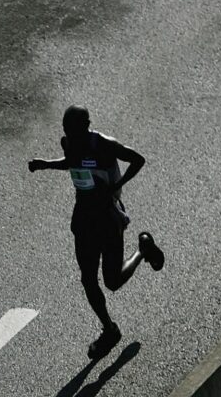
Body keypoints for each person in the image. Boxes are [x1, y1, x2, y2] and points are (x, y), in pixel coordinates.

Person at [28, 105, 164, 359]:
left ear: (87, 125)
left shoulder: (104, 144)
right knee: (87, 279)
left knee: (112, 281)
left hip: (108, 218)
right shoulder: (68, 142)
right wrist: (45, 164)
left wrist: (116, 186)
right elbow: (70, 162)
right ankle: (109, 330)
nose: (70, 134)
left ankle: (142, 250)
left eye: (74, 129)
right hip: (83, 219)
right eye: (66, 129)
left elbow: (138, 160)